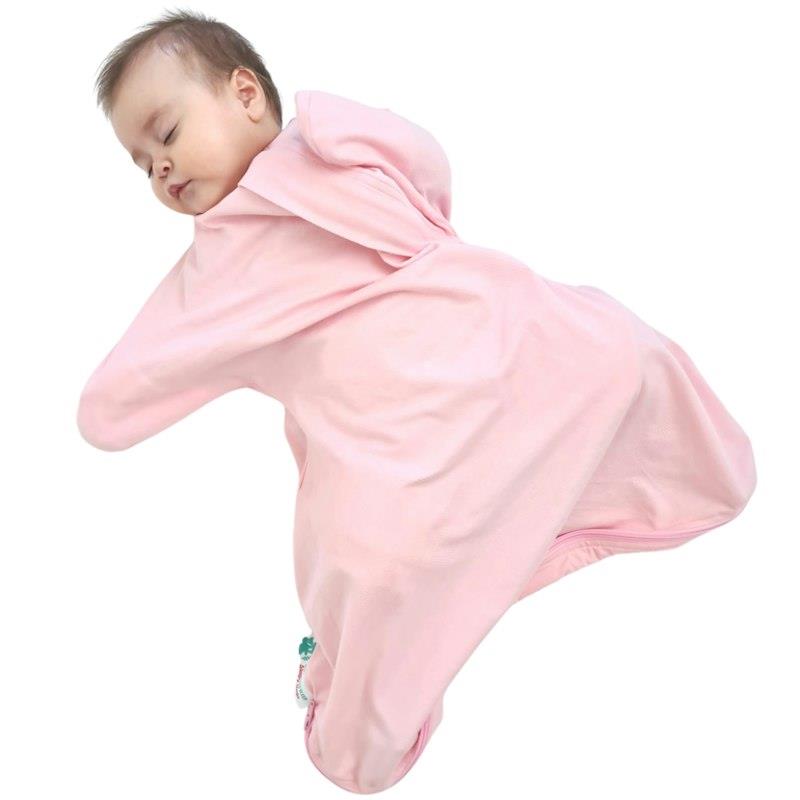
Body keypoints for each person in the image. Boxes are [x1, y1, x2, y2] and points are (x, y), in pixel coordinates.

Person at [77, 9, 758, 794]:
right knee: (372, 560)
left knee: (611, 352)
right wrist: (108, 396)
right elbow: (111, 408)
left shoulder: (329, 149)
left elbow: (427, 172)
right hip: (377, 429)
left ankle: (686, 478)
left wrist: (341, 131)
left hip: (474, 327)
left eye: (166, 134)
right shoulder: (208, 280)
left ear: (246, 95)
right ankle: (354, 723)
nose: (160, 168)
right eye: (141, 165)